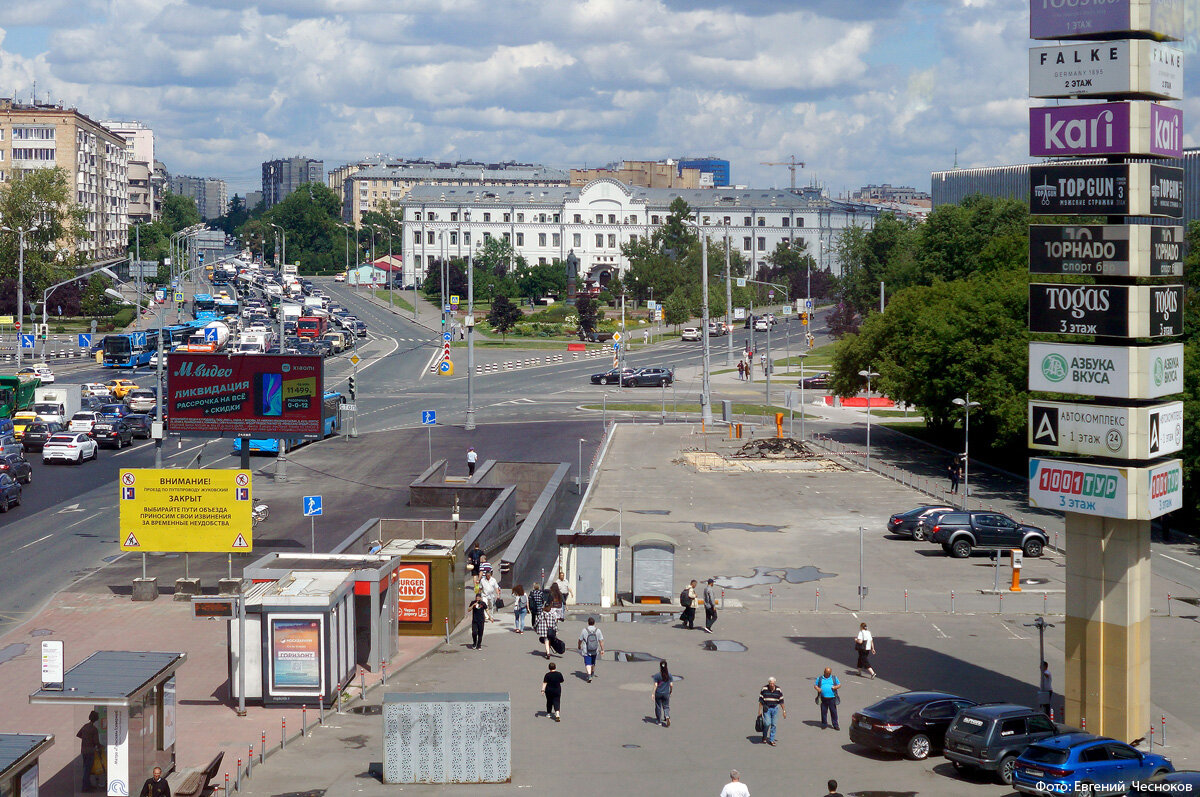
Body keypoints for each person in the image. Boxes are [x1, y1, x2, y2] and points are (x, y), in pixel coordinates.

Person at [77, 710, 102, 792]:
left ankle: (88, 785)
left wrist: (86, 739)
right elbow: (96, 742)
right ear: (96, 719)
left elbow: (79, 734)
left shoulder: (85, 726)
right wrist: (99, 746)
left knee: (86, 768)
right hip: (90, 751)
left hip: (84, 750)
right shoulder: (94, 729)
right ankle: (85, 787)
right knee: (87, 770)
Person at [757, 676, 785, 745]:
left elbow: (781, 700)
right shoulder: (764, 689)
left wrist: (784, 711)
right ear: (768, 683)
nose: (772, 685)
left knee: (774, 724)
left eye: (773, 683)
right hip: (767, 708)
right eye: (770, 683)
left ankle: (772, 740)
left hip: (775, 708)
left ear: (774, 683)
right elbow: (761, 700)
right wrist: (759, 711)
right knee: (767, 723)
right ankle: (764, 736)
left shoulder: (778, 689)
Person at [578, 617, 604, 682]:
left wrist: (579, 646)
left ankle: (589, 676)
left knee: (587, 663)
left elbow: (580, 640)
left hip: (586, 650)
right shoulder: (598, 630)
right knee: (593, 662)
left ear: (588, 623)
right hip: (595, 650)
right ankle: (592, 673)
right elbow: (601, 641)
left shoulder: (584, 630)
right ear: (594, 623)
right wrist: (602, 649)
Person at [652, 660, 673, 727]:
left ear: (660, 667)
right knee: (666, 706)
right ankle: (666, 716)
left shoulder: (657, 675)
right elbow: (671, 685)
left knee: (658, 706)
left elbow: (655, 685)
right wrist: (671, 691)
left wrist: (653, 693)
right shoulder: (669, 675)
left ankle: (659, 721)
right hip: (666, 693)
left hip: (658, 693)